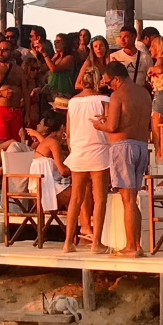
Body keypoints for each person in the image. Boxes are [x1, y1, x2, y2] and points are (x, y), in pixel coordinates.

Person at [91, 62, 152, 257]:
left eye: (109, 83)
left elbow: (112, 126)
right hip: (141, 146)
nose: (108, 87)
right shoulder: (144, 93)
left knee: (127, 200)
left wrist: (99, 125)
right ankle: (137, 245)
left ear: (117, 79)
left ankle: (131, 247)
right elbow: (131, 117)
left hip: (123, 147)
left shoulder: (118, 95)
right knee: (132, 199)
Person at [62, 68, 111, 253]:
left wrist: (73, 147)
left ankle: (68, 242)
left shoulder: (72, 103)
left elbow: (68, 131)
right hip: (98, 150)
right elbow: (110, 125)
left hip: (79, 150)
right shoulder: (104, 100)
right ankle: (96, 242)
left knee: (76, 198)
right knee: (99, 198)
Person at [25, 111, 73, 219]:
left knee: (81, 191)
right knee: (81, 194)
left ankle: (75, 229)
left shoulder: (49, 141)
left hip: (43, 186)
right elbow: (63, 171)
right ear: (62, 127)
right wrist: (80, 171)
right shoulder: (53, 142)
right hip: (45, 189)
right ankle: (79, 229)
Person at [40, 32, 79, 100]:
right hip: (52, 92)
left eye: (58, 41)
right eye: (55, 41)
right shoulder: (56, 57)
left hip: (63, 93)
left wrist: (44, 53)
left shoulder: (69, 58)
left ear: (64, 43)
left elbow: (54, 69)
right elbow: (45, 68)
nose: (55, 44)